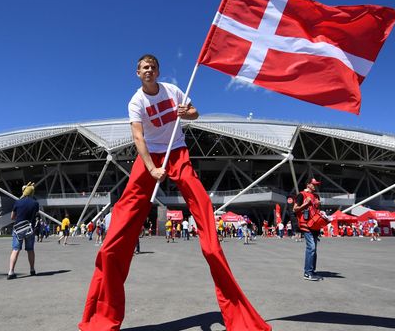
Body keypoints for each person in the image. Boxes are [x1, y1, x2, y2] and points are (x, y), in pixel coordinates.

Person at [78, 54, 270, 331]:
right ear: (137, 72)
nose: (149, 70)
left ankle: (214, 250)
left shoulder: (172, 90)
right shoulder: (136, 102)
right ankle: (101, 316)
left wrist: (186, 113)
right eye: (145, 67)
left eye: (153, 67)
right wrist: (151, 169)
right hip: (149, 157)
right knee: (118, 227)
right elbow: (138, 138)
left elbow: (195, 113)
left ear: (158, 71)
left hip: (177, 152)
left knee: (201, 202)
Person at [7, 183, 40, 279]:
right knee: (30, 250)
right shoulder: (35, 203)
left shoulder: (18, 202)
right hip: (30, 229)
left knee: (15, 250)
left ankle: (11, 272)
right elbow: (36, 215)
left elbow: (12, 217)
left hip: (18, 229)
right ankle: (32, 269)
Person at [293, 178, 323, 281]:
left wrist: (318, 206)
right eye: (313, 184)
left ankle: (312, 272)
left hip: (315, 224)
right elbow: (295, 209)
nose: (315, 186)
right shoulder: (301, 195)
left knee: (314, 249)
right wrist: (305, 204)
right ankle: (307, 273)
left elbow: (317, 210)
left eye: (316, 184)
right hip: (305, 224)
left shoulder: (316, 196)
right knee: (311, 247)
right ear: (308, 184)